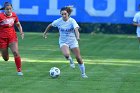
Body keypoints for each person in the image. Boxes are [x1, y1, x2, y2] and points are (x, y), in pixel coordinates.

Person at [43, 6, 88, 78]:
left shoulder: (72, 21)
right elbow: (50, 25)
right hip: (63, 41)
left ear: (68, 14)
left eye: (65, 14)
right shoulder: (58, 21)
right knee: (66, 54)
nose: (63, 16)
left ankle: (83, 74)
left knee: (78, 58)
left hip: (73, 41)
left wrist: (78, 37)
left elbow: (76, 29)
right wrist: (45, 33)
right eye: (62, 14)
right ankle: (70, 60)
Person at [0, 2, 24, 76]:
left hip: (12, 37)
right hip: (2, 39)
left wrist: (21, 32)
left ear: (12, 9)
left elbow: (18, 24)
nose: (9, 10)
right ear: (4, 9)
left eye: (10, 9)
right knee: (5, 58)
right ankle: (4, 53)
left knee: (16, 52)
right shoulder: (0, 16)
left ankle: (19, 70)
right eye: (7, 9)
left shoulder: (14, 15)